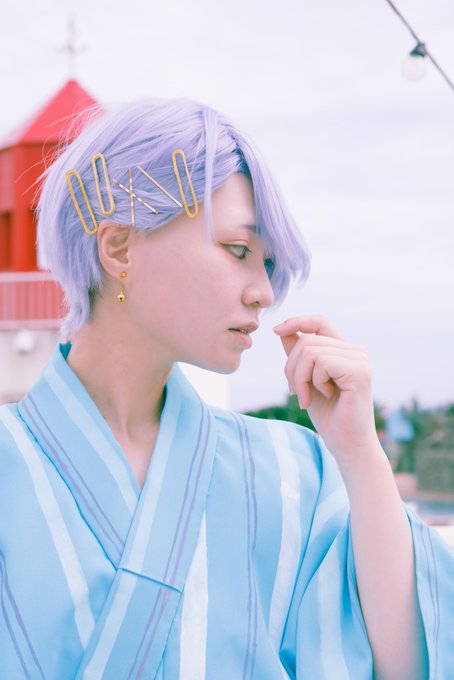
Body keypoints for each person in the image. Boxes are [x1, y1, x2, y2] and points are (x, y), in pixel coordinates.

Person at [0, 97, 452, 680]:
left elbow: (408, 662)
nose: (264, 291)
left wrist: (361, 454)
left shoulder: (297, 471)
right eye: (239, 250)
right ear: (118, 248)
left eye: (268, 263)